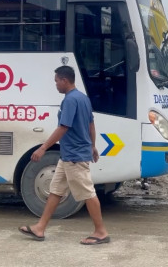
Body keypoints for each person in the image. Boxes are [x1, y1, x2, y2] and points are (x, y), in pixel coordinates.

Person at [18, 65, 110, 245]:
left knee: (88, 193)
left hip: (74, 156)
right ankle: (40, 228)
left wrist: (43, 148)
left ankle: (101, 232)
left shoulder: (69, 100)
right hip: (68, 155)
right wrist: (93, 146)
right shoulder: (83, 98)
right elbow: (91, 124)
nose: (56, 85)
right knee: (55, 191)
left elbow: (63, 127)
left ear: (64, 80)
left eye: (56, 81)